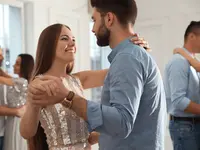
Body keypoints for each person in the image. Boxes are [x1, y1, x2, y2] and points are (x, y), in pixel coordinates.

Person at [25, 0, 166, 150]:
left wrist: (68, 97)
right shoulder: (40, 83)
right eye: (65, 39)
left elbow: (122, 118)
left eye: (94, 20)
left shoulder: (124, 60)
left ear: (109, 19)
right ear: (49, 45)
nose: (92, 29)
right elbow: (28, 131)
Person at [164, 21, 200, 150]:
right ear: (192, 36)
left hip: (193, 126)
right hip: (186, 128)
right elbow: (179, 101)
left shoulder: (192, 62)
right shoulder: (179, 62)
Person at [0, 54, 34, 150]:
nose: (13, 65)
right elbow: (4, 75)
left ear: (25, 66)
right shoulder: (18, 80)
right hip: (11, 120)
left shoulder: (22, 82)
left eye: (17, 64)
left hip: (17, 120)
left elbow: (1, 78)